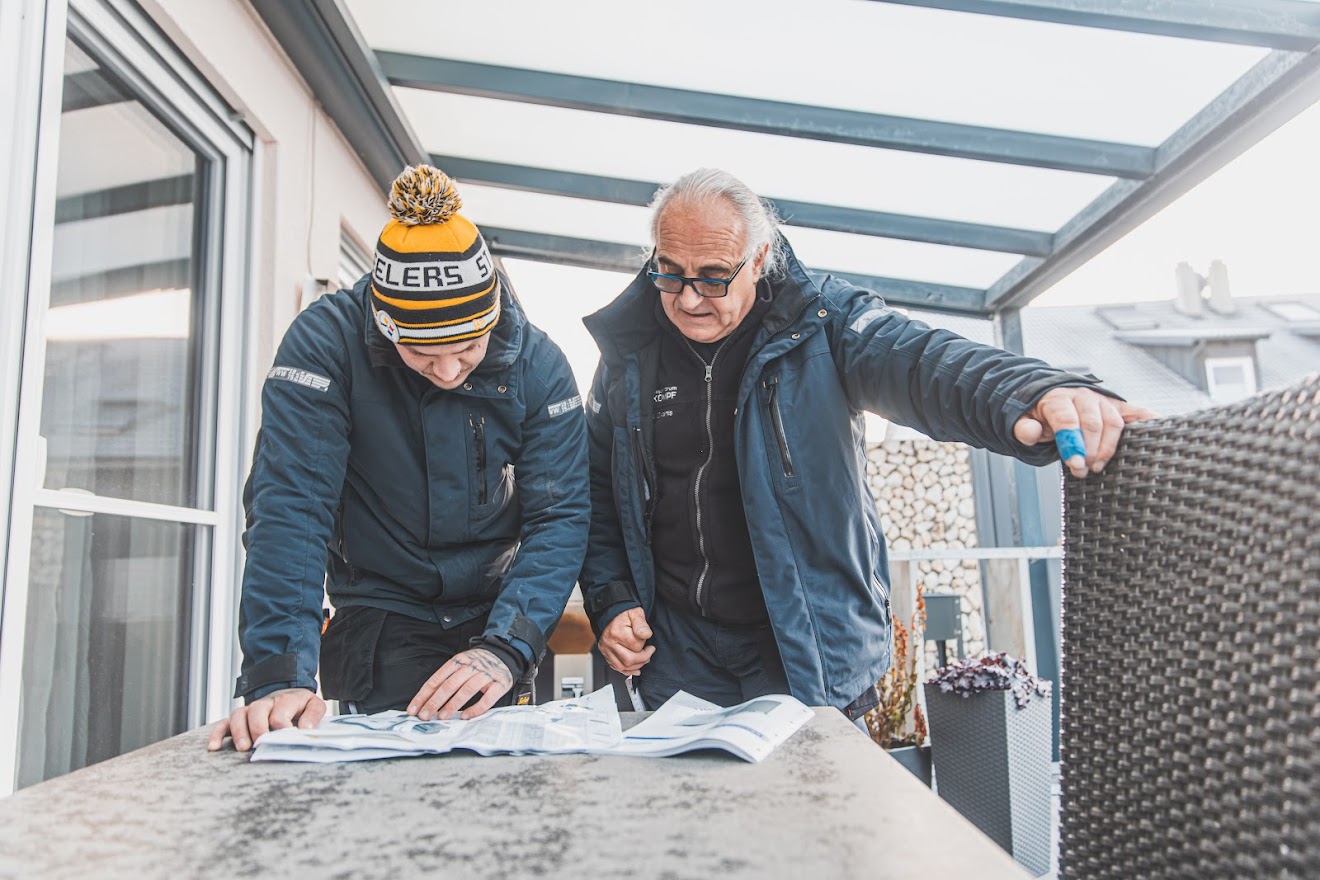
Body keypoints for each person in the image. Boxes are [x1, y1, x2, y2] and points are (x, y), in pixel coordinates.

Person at [581, 168, 1152, 722]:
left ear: (758, 259)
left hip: (801, 647)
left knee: (822, 790)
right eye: (669, 273)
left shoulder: (823, 322)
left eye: (712, 277)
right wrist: (612, 598)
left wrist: (1029, 391)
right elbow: (599, 492)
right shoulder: (630, 355)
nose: (688, 299)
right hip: (680, 651)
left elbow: (921, 361)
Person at [208, 165, 589, 752]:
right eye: (421, 352)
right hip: (381, 609)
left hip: (495, 610)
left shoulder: (539, 366)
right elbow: (291, 505)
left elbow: (559, 516)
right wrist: (279, 674)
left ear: (492, 316)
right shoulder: (325, 345)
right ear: (386, 328)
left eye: (468, 348)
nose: (447, 370)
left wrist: (508, 644)